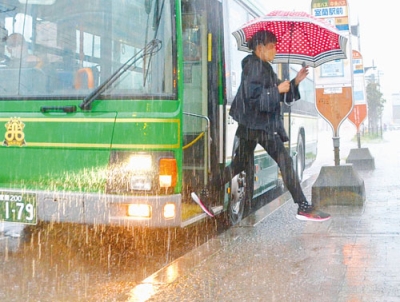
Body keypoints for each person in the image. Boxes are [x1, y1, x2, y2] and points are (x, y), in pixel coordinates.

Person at [193, 30, 330, 222]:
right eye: (271, 47)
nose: (275, 50)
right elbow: (255, 99)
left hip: (252, 125)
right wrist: (276, 90)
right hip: (259, 126)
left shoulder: (263, 67)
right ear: (260, 48)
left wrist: (295, 82)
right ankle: (303, 206)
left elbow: (281, 95)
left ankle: (205, 193)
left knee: (240, 164)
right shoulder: (253, 67)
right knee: (286, 161)